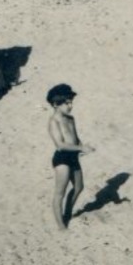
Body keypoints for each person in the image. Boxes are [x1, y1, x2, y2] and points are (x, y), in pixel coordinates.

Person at [47, 83, 92, 231]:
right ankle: (61, 226)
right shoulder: (54, 121)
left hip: (73, 156)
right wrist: (80, 148)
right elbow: (60, 144)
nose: (70, 105)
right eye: (66, 103)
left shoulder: (71, 119)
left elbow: (75, 138)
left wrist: (82, 146)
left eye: (71, 102)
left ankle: (67, 213)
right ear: (55, 104)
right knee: (60, 193)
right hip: (62, 159)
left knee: (79, 187)